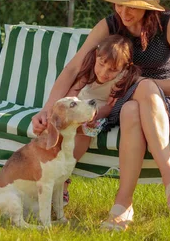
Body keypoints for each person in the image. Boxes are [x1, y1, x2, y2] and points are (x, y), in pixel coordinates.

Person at [32, 0, 170, 231]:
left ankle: (139, 197)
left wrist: (139, 84)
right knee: (131, 110)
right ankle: (148, 195)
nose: (123, 13)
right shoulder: (109, 25)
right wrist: (47, 109)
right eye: (119, 4)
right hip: (125, 103)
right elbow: (72, 69)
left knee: (144, 89)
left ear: (147, 7)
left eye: (132, 7)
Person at [60, 34, 141, 204]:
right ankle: (42, 175)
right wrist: (68, 110)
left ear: (124, 67)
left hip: (96, 112)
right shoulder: (89, 66)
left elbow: (110, 107)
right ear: (97, 56)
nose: (104, 73)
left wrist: (91, 116)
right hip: (76, 106)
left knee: (84, 133)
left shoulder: (123, 78)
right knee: (56, 130)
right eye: (102, 64)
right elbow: (73, 92)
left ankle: (63, 181)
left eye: (112, 70)